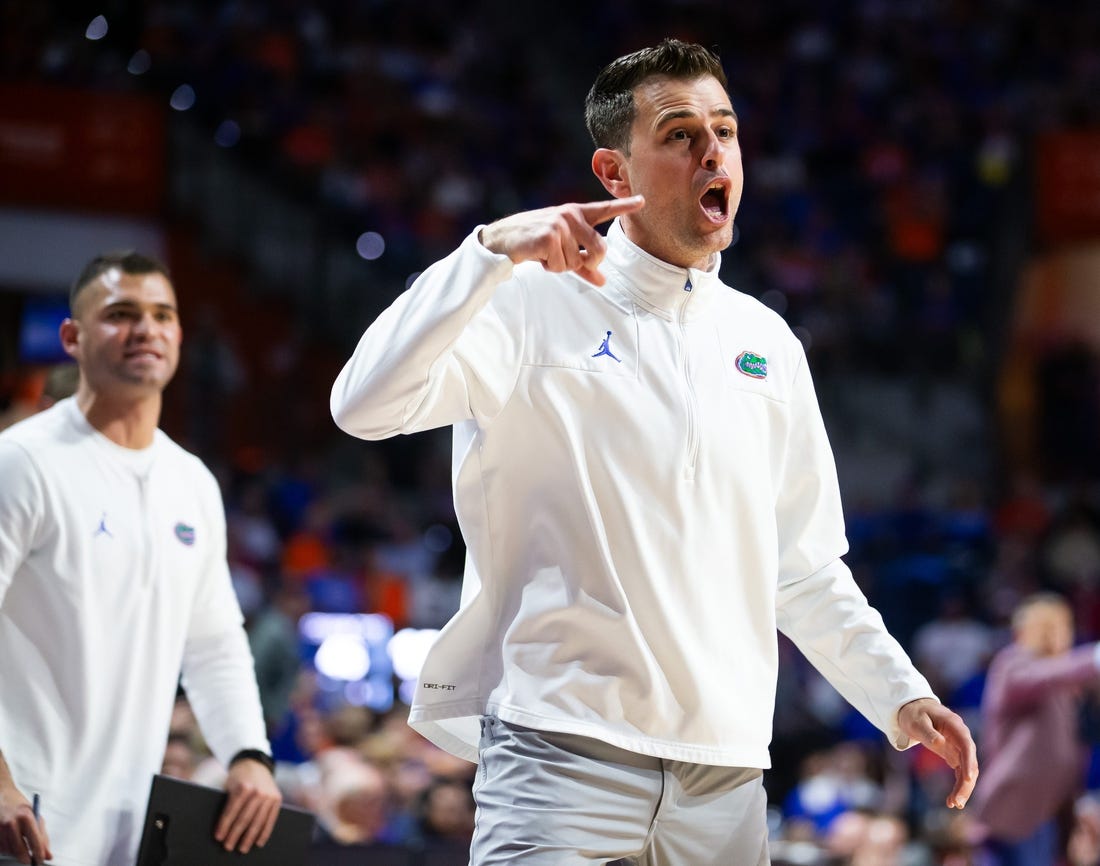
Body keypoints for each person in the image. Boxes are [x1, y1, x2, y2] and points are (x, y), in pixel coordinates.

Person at [330, 39, 977, 865]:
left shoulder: (767, 342)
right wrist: (485, 253)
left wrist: (899, 694)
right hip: (559, 751)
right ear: (612, 172)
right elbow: (362, 405)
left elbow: (804, 568)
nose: (713, 151)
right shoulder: (527, 300)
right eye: (679, 134)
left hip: (728, 776)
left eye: (727, 131)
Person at [0, 252, 283, 865]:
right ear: (72, 338)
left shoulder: (192, 482)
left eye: (162, 314)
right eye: (121, 314)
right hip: (21, 813)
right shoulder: (22, 462)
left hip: (128, 826)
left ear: (179, 335)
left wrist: (248, 755)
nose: (146, 329)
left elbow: (213, 643)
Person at [970, 593, 1100, 866]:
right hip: (1016, 807)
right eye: (1052, 627)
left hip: (1048, 807)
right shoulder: (1013, 662)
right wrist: (1094, 658)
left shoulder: (1061, 677)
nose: (1062, 635)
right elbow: (1041, 676)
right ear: (1029, 630)